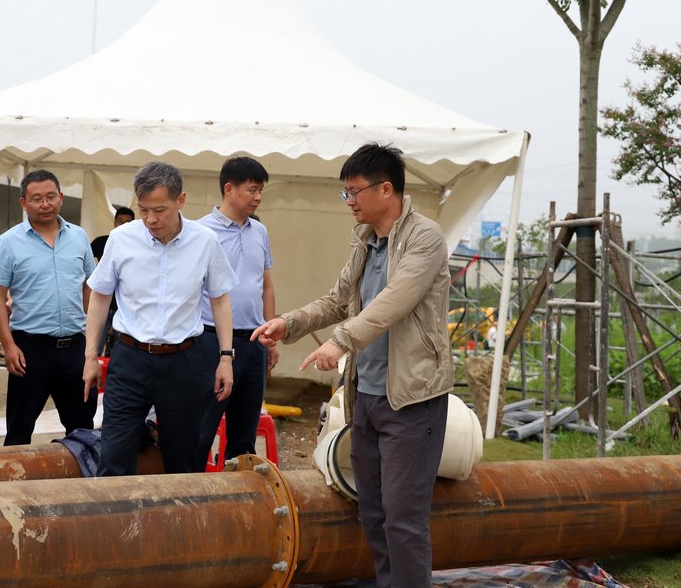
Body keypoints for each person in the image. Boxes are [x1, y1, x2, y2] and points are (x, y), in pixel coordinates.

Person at [252, 143, 453, 588]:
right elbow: (337, 300)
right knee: (374, 511)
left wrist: (339, 343)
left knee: (404, 518)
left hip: (412, 400)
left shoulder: (424, 237)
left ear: (386, 189)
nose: (349, 201)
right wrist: (289, 322)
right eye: (345, 192)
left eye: (354, 191)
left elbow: (393, 302)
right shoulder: (366, 241)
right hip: (366, 395)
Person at [83, 161, 239, 475]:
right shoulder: (122, 239)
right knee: (114, 455)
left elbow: (220, 300)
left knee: (183, 457)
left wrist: (226, 358)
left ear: (181, 200)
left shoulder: (205, 242)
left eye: (159, 210)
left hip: (183, 363)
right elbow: (100, 297)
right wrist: (90, 357)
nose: (150, 219)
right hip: (130, 360)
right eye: (143, 210)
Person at [0, 170, 98, 445]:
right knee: (19, 430)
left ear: (61, 197)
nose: (45, 204)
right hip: (30, 350)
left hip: (75, 347)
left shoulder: (78, 236)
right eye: (37, 199)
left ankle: (82, 472)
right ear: (24, 203)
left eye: (50, 197)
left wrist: (92, 341)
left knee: (82, 428)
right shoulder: (8, 242)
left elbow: (89, 286)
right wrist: (8, 346)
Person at [197, 156, 279, 466]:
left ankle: (239, 491)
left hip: (254, 341)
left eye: (261, 191)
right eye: (252, 190)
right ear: (229, 189)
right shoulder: (201, 232)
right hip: (211, 342)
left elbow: (266, 285)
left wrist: (271, 333)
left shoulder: (260, 232)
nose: (258, 197)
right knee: (201, 429)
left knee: (244, 437)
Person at [90, 206, 135, 356]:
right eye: (120, 221)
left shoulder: (138, 247)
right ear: (115, 222)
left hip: (125, 308)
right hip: (102, 304)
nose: (123, 225)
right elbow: (84, 265)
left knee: (120, 353)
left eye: (127, 222)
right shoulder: (101, 242)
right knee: (94, 349)